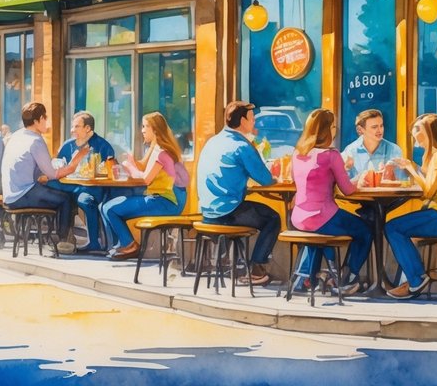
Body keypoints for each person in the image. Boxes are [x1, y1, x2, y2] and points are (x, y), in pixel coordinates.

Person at [386, 113, 437, 299]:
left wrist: (410, 168)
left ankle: (416, 280)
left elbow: (429, 191)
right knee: (396, 227)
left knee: (393, 227)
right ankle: (413, 278)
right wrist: (413, 167)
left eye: (418, 132)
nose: (415, 137)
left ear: (430, 133)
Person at [289, 109, 370, 294]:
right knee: (365, 231)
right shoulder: (330, 155)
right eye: (333, 126)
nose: (335, 130)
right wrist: (358, 180)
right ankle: (346, 278)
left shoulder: (297, 153)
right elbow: (348, 190)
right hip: (322, 216)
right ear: (326, 130)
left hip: (299, 217)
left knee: (317, 237)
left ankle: (305, 281)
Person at [197, 101, 277, 286]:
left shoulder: (213, 141)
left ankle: (242, 264)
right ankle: (256, 268)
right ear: (242, 120)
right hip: (227, 212)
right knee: (272, 218)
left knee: (254, 211)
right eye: (252, 118)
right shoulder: (242, 146)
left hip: (207, 213)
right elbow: (265, 179)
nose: (254, 123)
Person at [1, 102, 90, 254]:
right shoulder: (36, 140)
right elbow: (52, 174)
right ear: (37, 121)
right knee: (66, 198)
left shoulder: (17, 135)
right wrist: (78, 158)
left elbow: (29, 166)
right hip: (23, 194)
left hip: (10, 194)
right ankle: (63, 240)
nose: (46, 121)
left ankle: (56, 237)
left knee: (55, 193)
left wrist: (43, 174)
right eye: (45, 118)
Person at [100, 112, 189, 261]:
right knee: (106, 207)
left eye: (145, 126)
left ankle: (129, 245)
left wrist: (130, 167)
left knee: (109, 208)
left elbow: (146, 179)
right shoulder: (155, 148)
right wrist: (132, 162)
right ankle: (123, 244)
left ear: (155, 130)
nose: (142, 130)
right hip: (159, 199)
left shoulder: (161, 153)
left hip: (166, 202)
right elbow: (143, 167)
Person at [48, 111, 116, 253]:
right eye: (72, 127)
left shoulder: (102, 146)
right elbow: (59, 164)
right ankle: (62, 238)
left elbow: (111, 170)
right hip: (71, 187)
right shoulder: (68, 145)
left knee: (86, 200)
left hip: (92, 188)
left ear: (88, 128)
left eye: (77, 127)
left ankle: (94, 242)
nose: (72, 130)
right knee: (50, 186)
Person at [342, 108, 405, 182]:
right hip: (360, 193)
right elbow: (345, 183)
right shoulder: (350, 150)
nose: (379, 130)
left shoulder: (394, 150)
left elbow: (401, 182)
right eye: (374, 127)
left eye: (381, 126)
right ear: (360, 129)